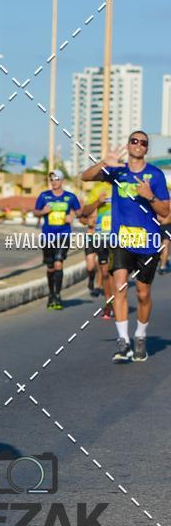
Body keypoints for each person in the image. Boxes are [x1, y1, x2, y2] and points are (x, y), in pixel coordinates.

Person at [81, 132, 170, 362]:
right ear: (128, 146)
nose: (138, 145)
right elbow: (85, 177)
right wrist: (104, 162)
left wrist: (150, 197)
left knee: (143, 293)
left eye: (143, 143)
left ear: (146, 149)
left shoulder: (156, 175)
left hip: (147, 242)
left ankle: (140, 335)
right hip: (121, 241)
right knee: (119, 287)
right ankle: (124, 343)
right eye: (134, 141)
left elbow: (166, 212)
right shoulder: (117, 172)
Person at [33, 169, 81, 310]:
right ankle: (51, 293)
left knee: (59, 264)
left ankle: (57, 295)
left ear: (62, 181)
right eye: (52, 179)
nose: (54, 182)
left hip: (63, 235)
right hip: (48, 236)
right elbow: (35, 211)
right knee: (50, 267)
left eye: (57, 179)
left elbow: (80, 212)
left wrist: (72, 216)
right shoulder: (44, 196)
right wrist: (43, 212)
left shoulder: (70, 197)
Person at [81, 180, 114, 319]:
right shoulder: (98, 190)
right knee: (104, 271)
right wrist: (97, 204)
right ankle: (109, 304)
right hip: (97, 236)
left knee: (116, 273)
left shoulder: (124, 186)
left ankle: (115, 302)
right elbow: (84, 214)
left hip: (120, 235)